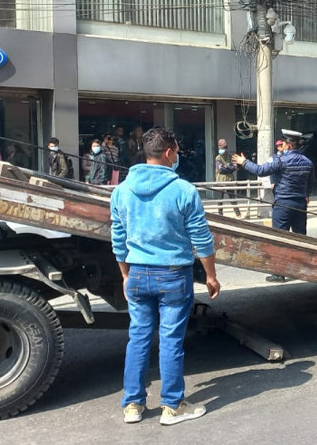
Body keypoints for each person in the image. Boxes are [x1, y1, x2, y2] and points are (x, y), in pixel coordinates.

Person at [111, 127, 220, 425]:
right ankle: (172, 407)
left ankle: (132, 405)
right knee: (171, 340)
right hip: (173, 274)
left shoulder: (121, 191)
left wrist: (125, 274)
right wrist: (211, 276)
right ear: (170, 153)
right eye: (177, 152)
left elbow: (118, 238)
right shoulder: (184, 190)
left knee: (138, 338)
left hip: (136, 273)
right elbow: (201, 238)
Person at [233, 129, 313, 282]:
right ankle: (302, 269)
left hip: (283, 203)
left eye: (283, 143)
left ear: (288, 145)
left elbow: (260, 170)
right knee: (300, 238)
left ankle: (279, 273)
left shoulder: (281, 161)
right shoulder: (307, 161)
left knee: (279, 238)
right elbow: (311, 181)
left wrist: (244, 162)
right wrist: (306, 194)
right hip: (300, 204)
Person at [213, 139, 242, 218]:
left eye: (224, 147)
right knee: (220, 200)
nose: (222, 149)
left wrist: (227, 167)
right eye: (221, 148)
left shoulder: (229, 157)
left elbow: (235, 167)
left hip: (230, 180)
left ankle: (238, 213)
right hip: (220, 181)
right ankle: (220, 214)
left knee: (232, 197)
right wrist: (229, 168)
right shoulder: (218, 158)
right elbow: (220, 169)